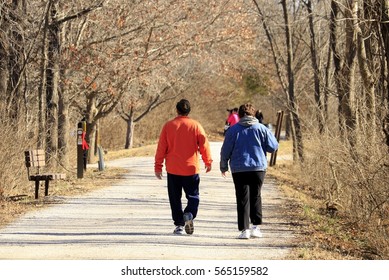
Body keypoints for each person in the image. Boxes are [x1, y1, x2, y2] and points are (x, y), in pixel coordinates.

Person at [154, 99, 213, 235]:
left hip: (173, 169)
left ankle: (179, 224)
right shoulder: (196, 126)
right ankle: (189, 213)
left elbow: (161, 148)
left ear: (177, 110)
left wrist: (158, 166)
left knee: (175, 198)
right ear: (189, 111)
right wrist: (208, 161)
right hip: (191, 168)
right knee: (193, 196)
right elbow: (204, 145)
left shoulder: (168, 126)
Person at [220, 103, 278, 239]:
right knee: (256, 196)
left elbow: (225, 151)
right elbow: (273, 146)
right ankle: (256, 228)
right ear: (254, 114)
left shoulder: (233, 130)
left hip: (239, 169)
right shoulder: (262, 129)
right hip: (258, 168)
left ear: (239, 115)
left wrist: (224, 167)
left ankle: (244, 230)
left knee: (242, 198)